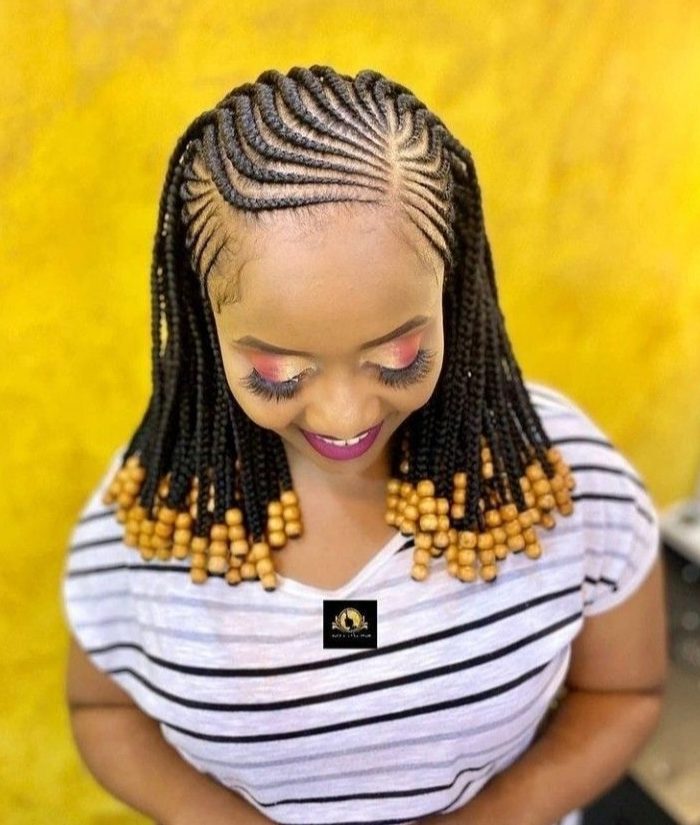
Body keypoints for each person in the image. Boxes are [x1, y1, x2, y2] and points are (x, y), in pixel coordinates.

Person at [61, 66, 667, 825]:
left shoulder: (556, 477)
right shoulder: (156, 511)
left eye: (398, 355)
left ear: (453, 290)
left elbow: (625, 691)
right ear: (205, 323)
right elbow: (102, 709)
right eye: (279, 371)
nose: (344, 414)